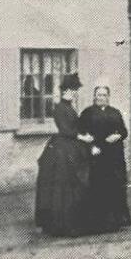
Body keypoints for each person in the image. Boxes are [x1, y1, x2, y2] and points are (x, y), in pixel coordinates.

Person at [34, 72, 91, 237]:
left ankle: (72, 221)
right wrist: (82, 137)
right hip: (62, 149)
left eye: (75, 91)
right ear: (65, 91)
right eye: (72, 90)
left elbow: (75, 125)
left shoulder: (69, 107)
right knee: (63, 185)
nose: (74, 94)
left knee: (73, 184)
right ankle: (59, 224)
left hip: (71, 145)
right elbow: (66, 130)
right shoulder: (59, 108)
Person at [78, 82, 131, 233]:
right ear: (94, 97)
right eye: (98, 95)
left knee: (114, 187)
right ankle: (97, 223)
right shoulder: (87, 113)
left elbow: (124, 131)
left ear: (108, 97)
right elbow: (81, 133)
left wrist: (118, 135)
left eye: (104, 95)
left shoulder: (115, 112)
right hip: (96, 155)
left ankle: (115, 221)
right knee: (98, 187)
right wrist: (91, 147)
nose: (101, 97)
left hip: (114, 156)